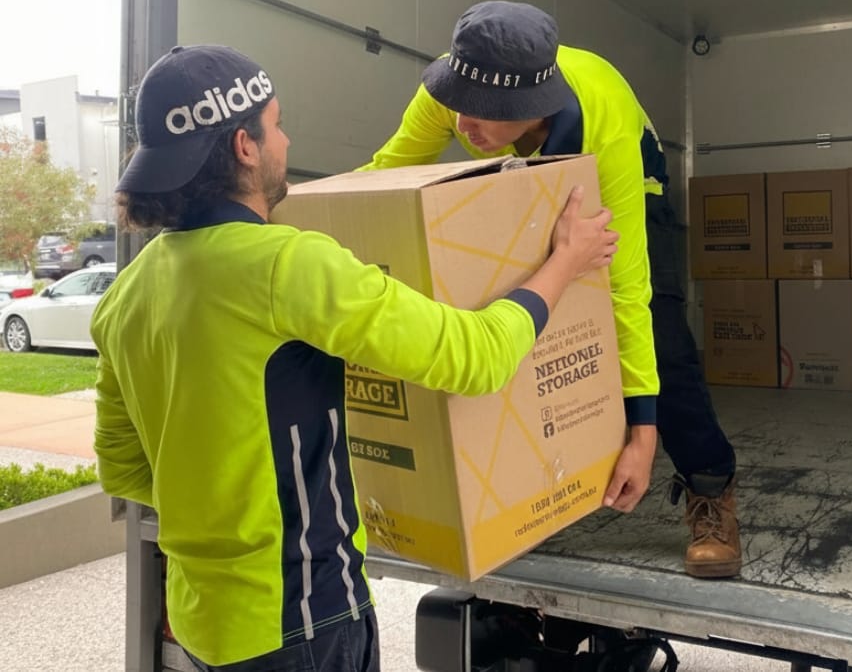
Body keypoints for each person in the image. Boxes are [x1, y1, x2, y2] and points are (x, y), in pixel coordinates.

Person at [91, 43, 618, 672]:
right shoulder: (287, 265)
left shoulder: (126, 295)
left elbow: (125, 469)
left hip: (203, 622)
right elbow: (474, 358)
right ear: (244, 146)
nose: (285, 141)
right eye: (277, 124)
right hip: (303, 619)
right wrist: (566, 261)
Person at [363, 1, 741, 578]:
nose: (464, 127)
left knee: (660, 329)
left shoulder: (601, 115)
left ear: (532, 107)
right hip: (518, 179)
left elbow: (625, 289)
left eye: (486, 114)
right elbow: (386, 175)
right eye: (458, 106)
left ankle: (711, 487)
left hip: (626, 174)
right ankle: (530, 491)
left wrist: (643, 432)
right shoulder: (453, 90)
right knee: (516, 307)